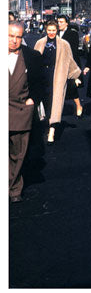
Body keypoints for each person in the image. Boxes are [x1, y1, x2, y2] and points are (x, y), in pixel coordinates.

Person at [9, 21, 44, 202]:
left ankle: (14, 189)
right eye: (10, 36)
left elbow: (40, 83)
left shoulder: (31, 56)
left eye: (18, 37)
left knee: (18, 153)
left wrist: (33, 100)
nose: (14, 41)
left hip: (22, 111)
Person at [34, 20, 81, 144]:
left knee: (55, 104)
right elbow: (33, 60)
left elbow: (70, 60)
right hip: (43, 77)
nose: (51, 33)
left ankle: (52, 131)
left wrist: (75, 76)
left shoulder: (64, 44)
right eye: (49, 30)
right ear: (46, 30)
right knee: (45, 103)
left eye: (53, 30)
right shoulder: (40, 43)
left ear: (57, 30)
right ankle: (46, 124)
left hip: (57, 76)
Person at [57, 14, 84, 117]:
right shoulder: (56, 33)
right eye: (58, 22)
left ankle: (78, 106)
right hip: (58, 63)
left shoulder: (73, 34)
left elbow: (73, 51)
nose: (59, 24)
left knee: (71, 86)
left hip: (69, 63)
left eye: (61, 22)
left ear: (67, 23)